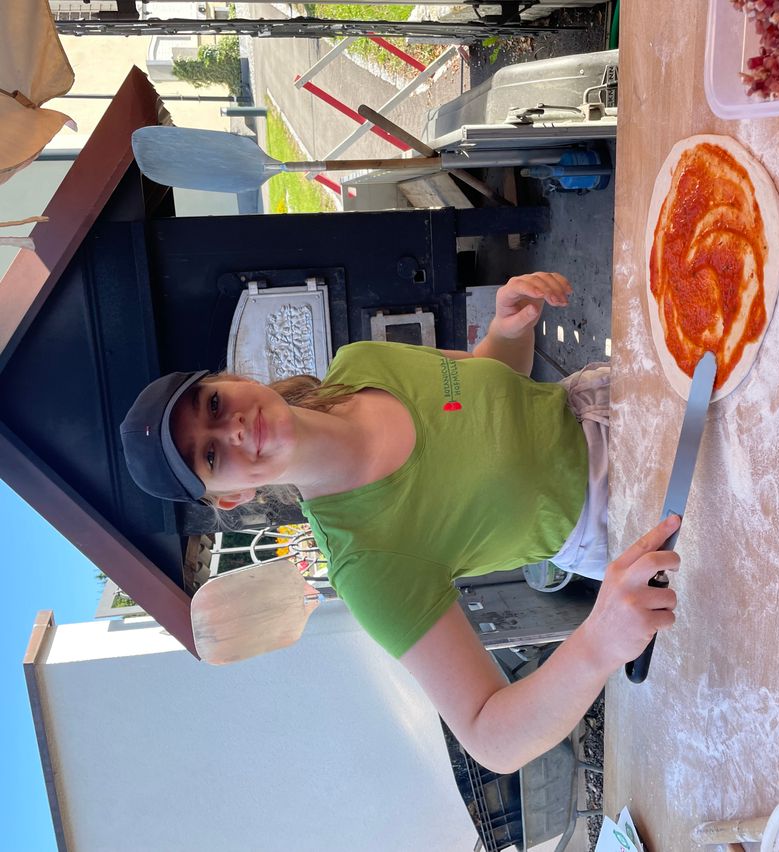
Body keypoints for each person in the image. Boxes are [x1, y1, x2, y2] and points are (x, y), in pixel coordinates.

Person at [120, 271, 679, 774]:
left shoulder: (360, 362)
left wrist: (508, 329)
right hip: (630, 518)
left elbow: (493, 383)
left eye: (213, 406)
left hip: (620, 399)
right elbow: (491, 736)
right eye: (212, 457)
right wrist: (599, 643)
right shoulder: (367, 564)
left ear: (228, 379)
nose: (233, 431)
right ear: (231, 497)